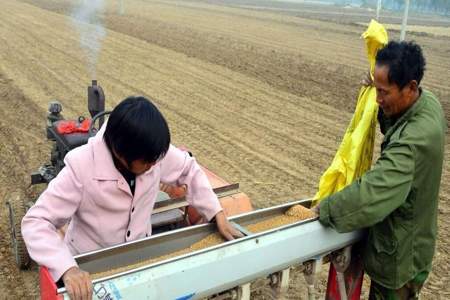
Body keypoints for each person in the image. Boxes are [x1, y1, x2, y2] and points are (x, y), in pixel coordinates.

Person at [22, 96, 243, 300]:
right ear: (120, 152)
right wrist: (68, 269)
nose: (155, 166)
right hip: (91, 269)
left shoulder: (152, 154)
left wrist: (217, 214)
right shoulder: (81, 166)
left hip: (139, 260)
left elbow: (189, 169)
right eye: (148, 162)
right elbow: (37, 221)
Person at [315, 41, 447, 299]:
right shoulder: (426, 102)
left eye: (384, 92)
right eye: (376, 90)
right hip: (410, 243)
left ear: (410, 87)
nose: (378, 99)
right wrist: (376, 98)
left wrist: (326, 208)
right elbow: (397, 124)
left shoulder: (414, 142)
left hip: (401, 258)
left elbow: (373, 193)